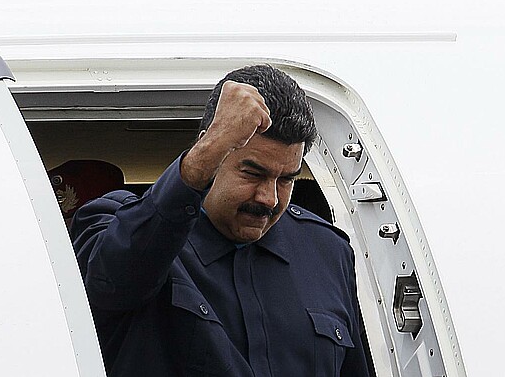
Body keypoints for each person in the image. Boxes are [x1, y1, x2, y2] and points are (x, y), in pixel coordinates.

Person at [70, 65, 371, 376]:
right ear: (211, 150)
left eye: (286, 180)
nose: (269, 198)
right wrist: (204, 155)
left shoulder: (327, 252)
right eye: (253, 173)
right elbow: (113, 284)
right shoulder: (121, 227)